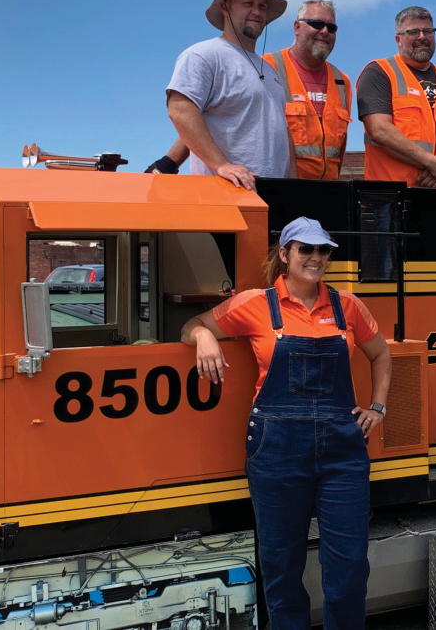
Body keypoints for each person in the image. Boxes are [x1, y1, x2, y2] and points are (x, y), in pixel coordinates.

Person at [181, 217, 391, 630]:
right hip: (275, 451)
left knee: (349, 569)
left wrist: (378, 408)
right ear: (285, 254)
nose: (316, 258)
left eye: (323, 250)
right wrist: (204, 338)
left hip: (342, 454)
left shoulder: (347, 306)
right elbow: (194, 324)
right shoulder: (254, 303)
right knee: (281, 567)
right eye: (306, 249)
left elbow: (381, 355)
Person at [166, 0, 297, 190]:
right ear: (225, 8)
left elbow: (282, 131)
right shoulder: (204, 55)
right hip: (223, 194)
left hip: (274, 198)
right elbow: (180, 110)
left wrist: (293, 186)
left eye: (262, 6)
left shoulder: (271, 72)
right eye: (248, 3)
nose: (257, 11)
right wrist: (221, 165)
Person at [356, 6, 436, 189]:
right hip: (393, 194)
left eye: (428, 31)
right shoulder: (379, 72)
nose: (422, 37)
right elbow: (379, 129)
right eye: (413, 32)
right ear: (398, 39)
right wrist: (432, 163)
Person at [262, 0, 352, 180]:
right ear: (297, 27)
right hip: (279, 192)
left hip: (326, 195)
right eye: (317, 24)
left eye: (331, 28)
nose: (325, 31)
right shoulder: (266, 68)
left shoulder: (342, 81)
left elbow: (339, 151)